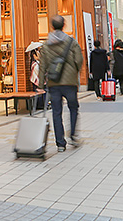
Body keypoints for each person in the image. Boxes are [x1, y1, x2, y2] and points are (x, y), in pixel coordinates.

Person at [39, 15, 83, 152]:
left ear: (52, 26)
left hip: (54, 83)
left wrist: (41, 84)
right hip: (70, 82)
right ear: (64, 25)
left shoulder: (46, 45)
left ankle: (60, 144)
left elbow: (42, 66)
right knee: (73, 108)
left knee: (56, 112)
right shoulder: (72, 42)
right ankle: (73, 135)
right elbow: (79, 60)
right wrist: (75, 73)